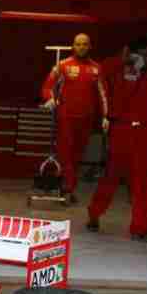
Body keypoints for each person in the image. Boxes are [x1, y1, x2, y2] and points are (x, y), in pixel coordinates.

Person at [87, 38, 147, 242]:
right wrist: (123, 61)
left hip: (146, 134)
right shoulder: (121, 71)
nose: (144, 57)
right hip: (122, 131)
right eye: (140, 53)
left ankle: (140, 229)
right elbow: (101, 75)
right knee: (111, 177)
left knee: (142, 183)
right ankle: (94, 214)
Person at [41, 33, 109, 203]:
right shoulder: (63, 65)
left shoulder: (97, 68)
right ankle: (68, 188)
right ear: (73, 46)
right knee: (66, 153)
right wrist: (50, 98)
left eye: (85, 44)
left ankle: (67, 186)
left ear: (90, 46)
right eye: (78, 44)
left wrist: (105, 116)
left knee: (77, 155)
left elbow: (103, 95)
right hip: (66, 117)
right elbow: (47, 86)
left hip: (87, 119)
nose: (81, 47)